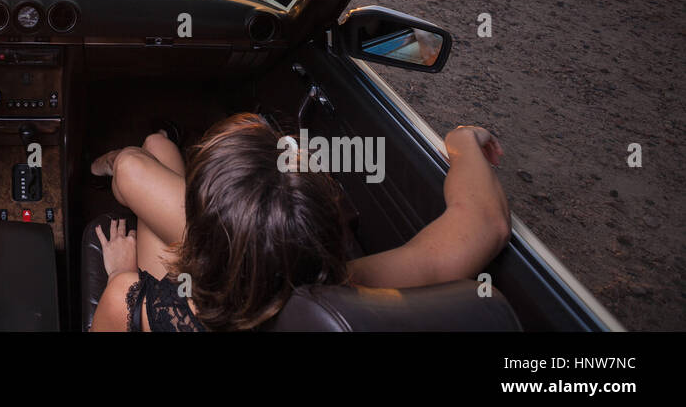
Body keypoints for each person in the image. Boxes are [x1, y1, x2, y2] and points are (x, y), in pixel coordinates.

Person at [89, 113, 510, 332]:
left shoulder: (129, 299)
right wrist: (461, 143)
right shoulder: (352, 286)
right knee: (154, 151)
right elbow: (485, 222)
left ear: (194, 237)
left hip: (197, 294)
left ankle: (143, 150)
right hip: (239, 272)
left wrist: (121, 274)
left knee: (145, 156)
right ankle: (154, 145)